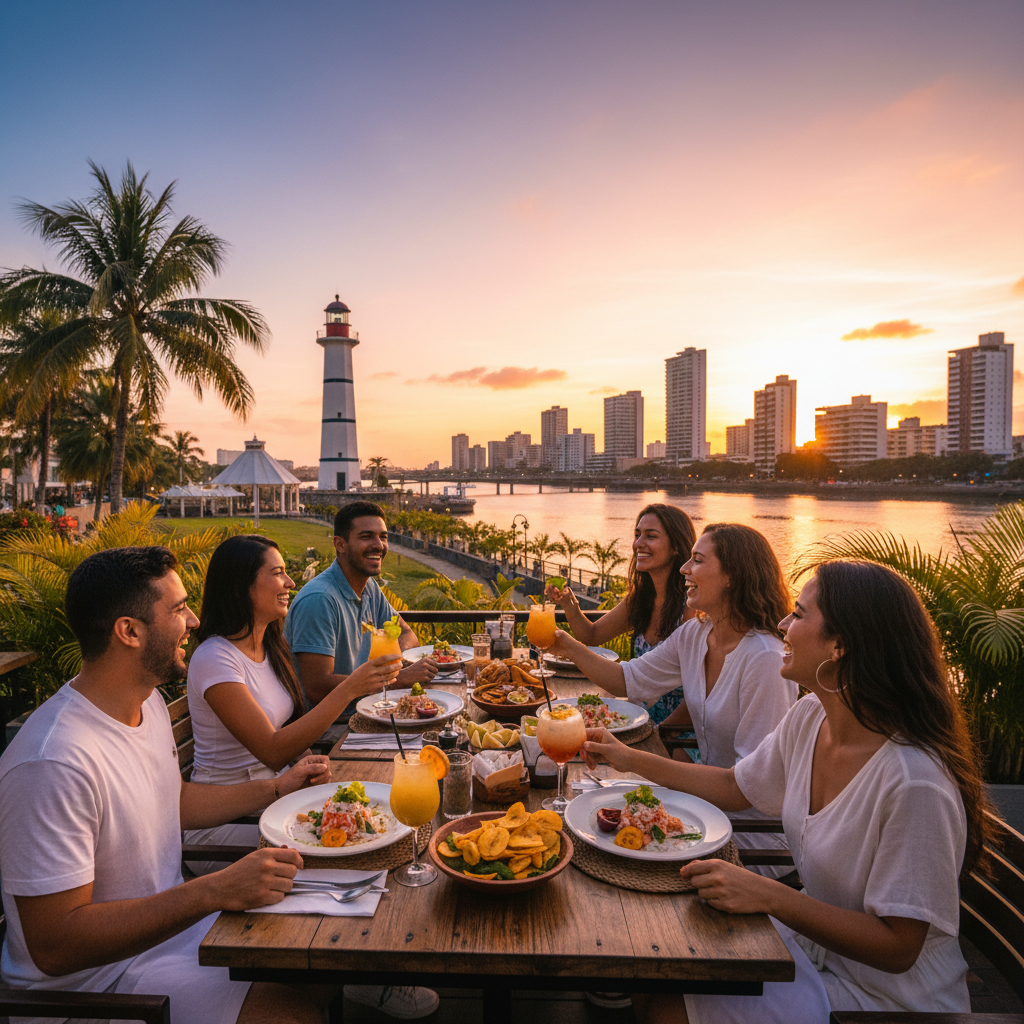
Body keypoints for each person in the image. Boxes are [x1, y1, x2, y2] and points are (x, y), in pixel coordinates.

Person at [582, 559, 994, 1023]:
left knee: (667, 1006)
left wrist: (770, 895)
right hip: (816, 951)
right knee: (652, 958)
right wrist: (628, 757)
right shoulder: (810, 717)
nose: (781, 624)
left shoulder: (914, 782)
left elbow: (899, 947)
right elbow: (734, 786)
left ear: (840, 644)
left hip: (888, 1000)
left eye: (798, 614)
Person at [0, 546, 334, 1024]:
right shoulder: (53, 761)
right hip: (94, 986)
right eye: (178, 609)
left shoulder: (146, 702)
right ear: (129, 631)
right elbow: (55, 945)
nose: (194, 621)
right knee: (290, 1014)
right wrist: (212, 891)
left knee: (321, 963)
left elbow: (173, 800)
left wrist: (278, 788)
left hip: (169, 936)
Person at [184, 533, 439, 1018]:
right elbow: (271, 746)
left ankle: (362, 968)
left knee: (380, 824)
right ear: (242, 586)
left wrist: (309, 764)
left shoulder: (267, 646)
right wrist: (350, 689)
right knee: (363, 853)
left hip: (278, 801)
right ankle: (363, 974)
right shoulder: (215, 658)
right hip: (228, 820)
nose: (289, 583)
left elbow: (286, 736)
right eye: (278, 573)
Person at [543, 523, 797, 872]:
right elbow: (626, 679)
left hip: (750, 839)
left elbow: (745, 790)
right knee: (580, 837)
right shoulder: (695, 634)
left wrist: (632, 759)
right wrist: (568, 646)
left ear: (732, 576)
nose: (684, 569)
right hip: (702, 813)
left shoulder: (765, 659)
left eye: (698, 560)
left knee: (604, 865)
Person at [545, 503, 697, 730]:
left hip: (677, 733)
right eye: (637, 535)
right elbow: (592, 635)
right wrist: (569, 604)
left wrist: (662, 732)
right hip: (637, 721)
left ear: (676, 546)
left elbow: (700, 693)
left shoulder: (692, 608)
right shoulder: (642, 599)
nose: (638, 543)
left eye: (651, 536)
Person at [284, 500, 437, 709]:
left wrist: (393, 666)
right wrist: (396, 678)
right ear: (340, 544)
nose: (379, 545)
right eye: (366, 537)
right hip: (333, 723)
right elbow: (317, 688)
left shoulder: (368, 587)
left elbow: (405, 633)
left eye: (383, 537)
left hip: (369, 707)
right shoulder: (319, 599)